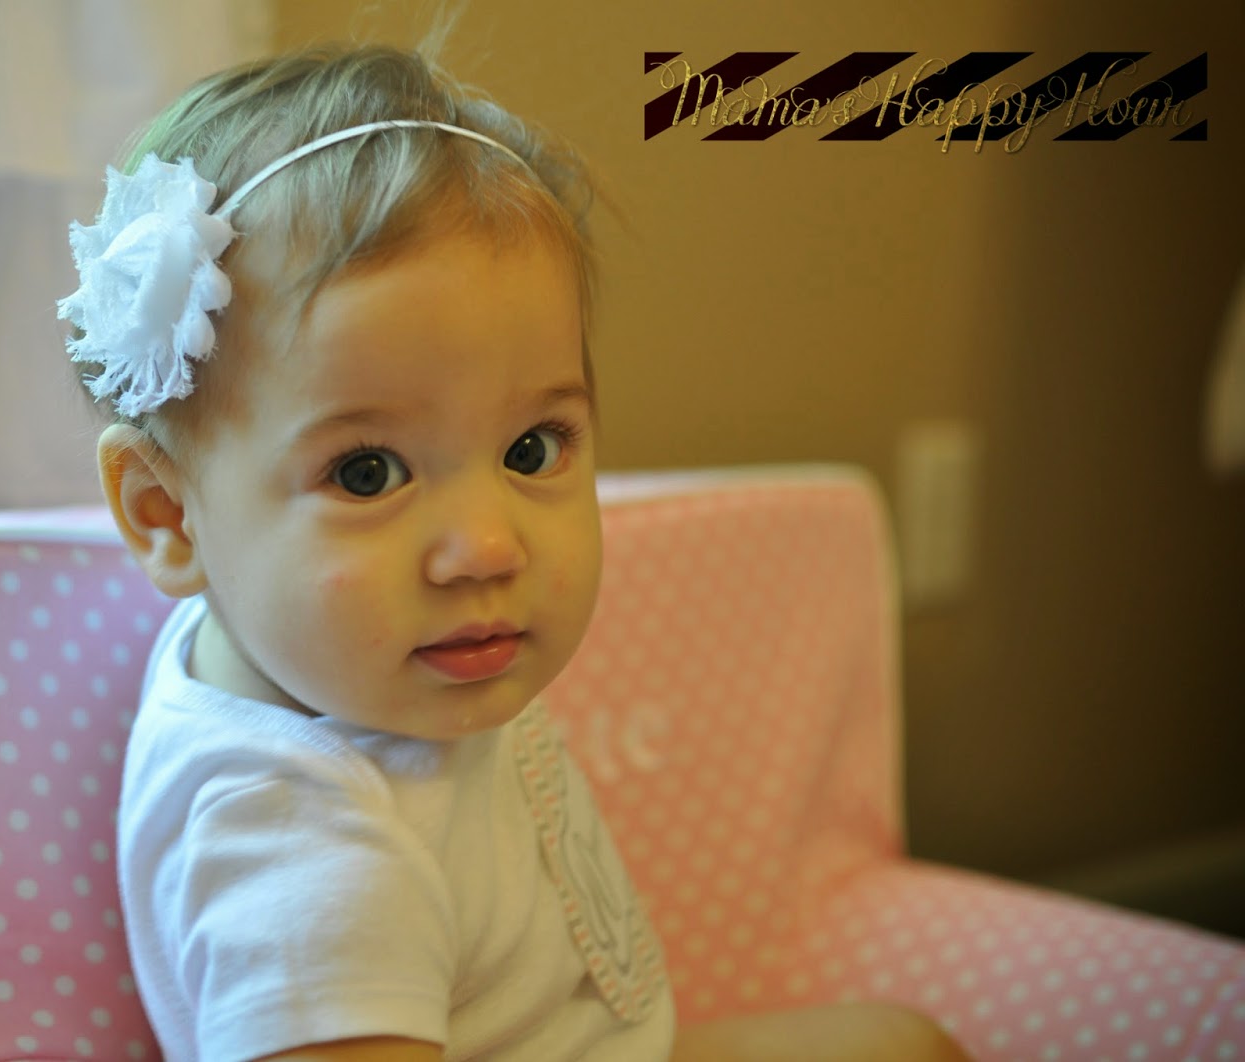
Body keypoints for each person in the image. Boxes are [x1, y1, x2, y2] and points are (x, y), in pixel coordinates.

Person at [66, 39, 973, 1062]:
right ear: (167, 514)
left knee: (904, 1044)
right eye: (367, 473)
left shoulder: (325, 656)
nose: (487, 549)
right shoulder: (301, 861)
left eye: (531, 449)